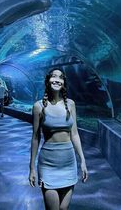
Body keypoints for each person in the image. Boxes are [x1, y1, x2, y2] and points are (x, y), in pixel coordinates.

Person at [29, 69, 88, 210]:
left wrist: (83, 161)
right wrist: (31, 167)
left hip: (68, 162)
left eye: (60, 77)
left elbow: (74, 134)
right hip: (48, 163)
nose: (57, 79)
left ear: (64, 83)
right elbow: (35, 138)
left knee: (63, 209)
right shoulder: (38, 106)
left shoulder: (71, 104)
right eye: (54, 76)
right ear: (47, 81)